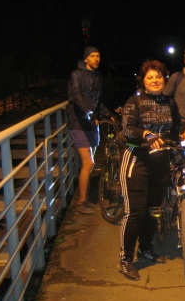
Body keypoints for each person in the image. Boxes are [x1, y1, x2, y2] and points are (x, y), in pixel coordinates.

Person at [118, 60, 174, 280]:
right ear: (143, 80)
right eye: (150, 77)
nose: (155, 80)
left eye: (158, 77)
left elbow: (175, 128)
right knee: (135, 211)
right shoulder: (135, 101)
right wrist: (147, 134)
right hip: (136, 160)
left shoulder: (169, 102)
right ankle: (125, 258)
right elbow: (127, 128)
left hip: (160, 162)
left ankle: (145, 249)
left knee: (153, 209)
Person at [67, 46, 114, 215]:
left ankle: (84, 197)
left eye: (98, 56)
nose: (96, 59)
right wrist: (89, 111)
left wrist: (108, 114)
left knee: (90, 163)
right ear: (86, 58)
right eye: (93, 56)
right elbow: (77, 96)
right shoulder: (76, 75)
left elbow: (97, 100)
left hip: (92, 123)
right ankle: (81, 202)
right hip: (78, 123)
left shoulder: (97, 76)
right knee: (88, 163)